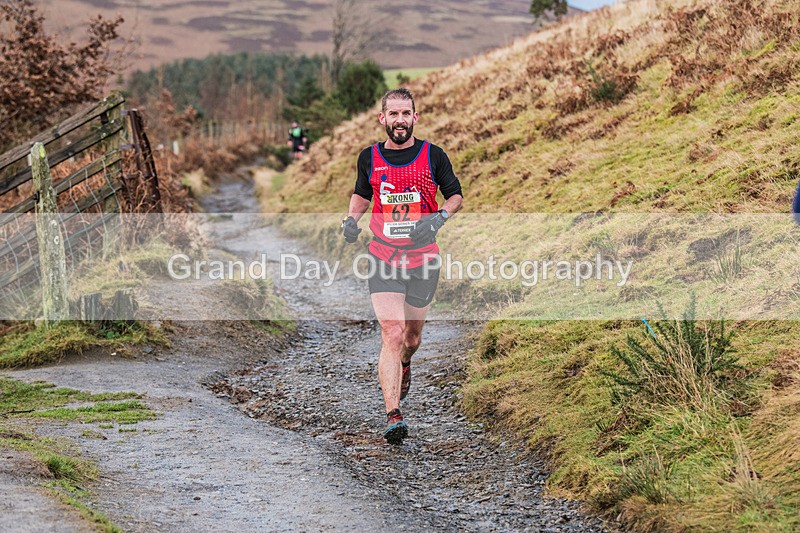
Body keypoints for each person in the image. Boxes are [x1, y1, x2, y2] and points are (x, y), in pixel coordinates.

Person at [341, 88, 463, 444]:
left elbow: (455, 196)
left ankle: (406, 363)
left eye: (405, 114)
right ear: (382, 119)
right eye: (392, 114)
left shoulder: (433, 156)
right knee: (392, 333)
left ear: (415, 118)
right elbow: (363, 194)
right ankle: (393, 413)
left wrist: (438, 218)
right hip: (382, 256)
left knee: (411, 338)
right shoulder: (370, 157)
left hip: (423, 259)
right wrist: (351, 220)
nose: (399, 120)